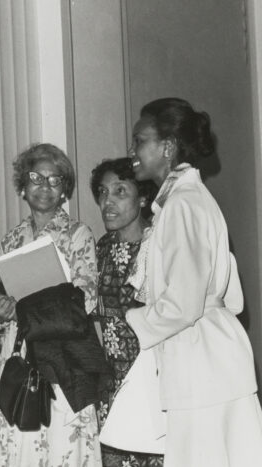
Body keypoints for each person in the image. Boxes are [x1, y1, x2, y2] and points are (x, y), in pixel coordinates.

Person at [125, 98, 262, 466]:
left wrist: (131, 323)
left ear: (167, 147)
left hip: (202, 367)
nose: (132, 151)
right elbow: (227, 296)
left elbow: (183, 304)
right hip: (209, 360)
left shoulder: (183, 204)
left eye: (139, 141)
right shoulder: (185, 200)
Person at [0, 143, 101, 466]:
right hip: (20, 351)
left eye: (55, 181)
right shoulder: (12, 239)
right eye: (37, 178)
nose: (45, 187)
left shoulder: (78, 234)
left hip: (63, 351)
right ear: (23, 185)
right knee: (20, 438)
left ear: (64, 189)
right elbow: (0, 301)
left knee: (62, 445)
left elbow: (88, 297)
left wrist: (28, 304)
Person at [90, 157, 162, 466]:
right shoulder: (102, 247)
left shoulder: (159, 243)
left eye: (120, 191)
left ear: (143, 197)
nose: (108, 201)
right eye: (104, 193)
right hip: (111, 380)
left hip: (152, 378)